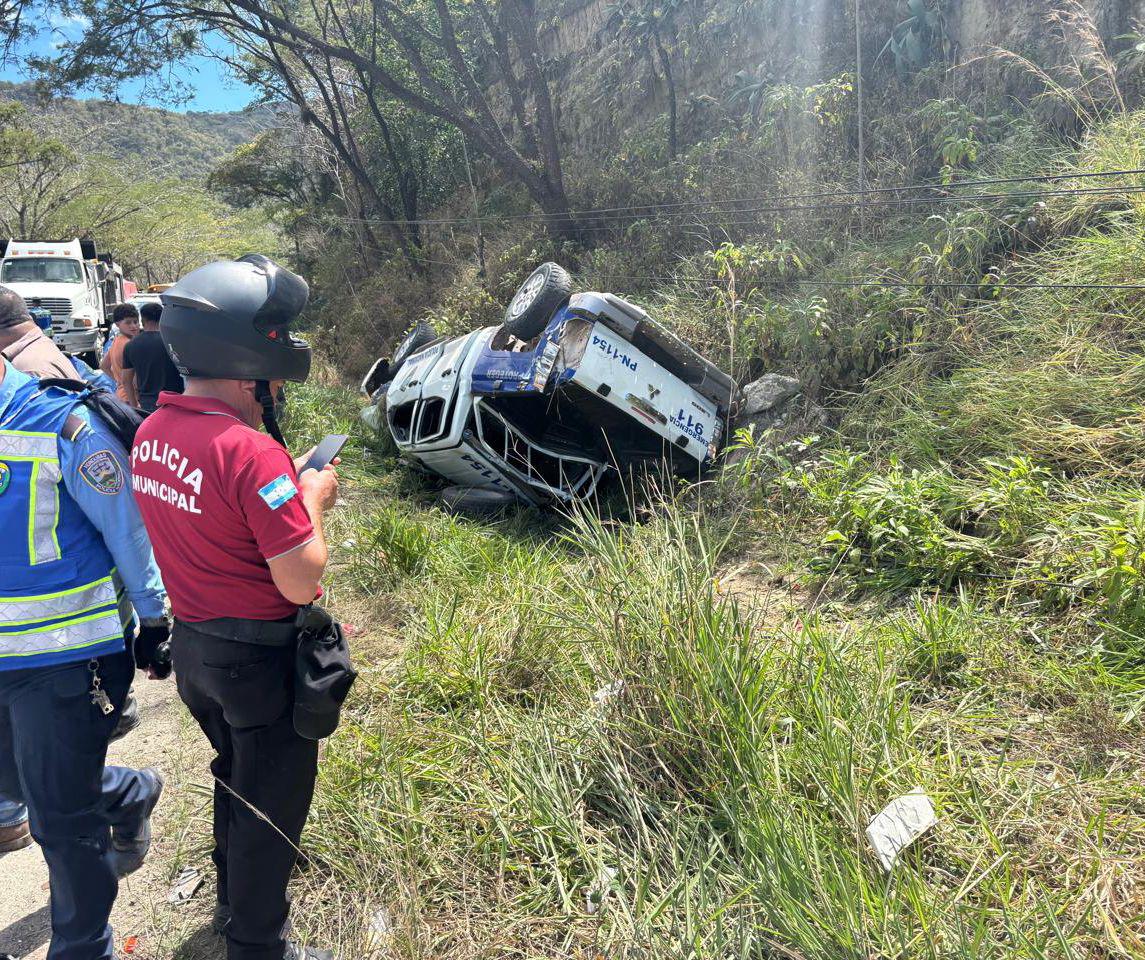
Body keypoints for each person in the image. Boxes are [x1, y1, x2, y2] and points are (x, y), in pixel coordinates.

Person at [132, 255, 340, 960]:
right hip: (257, 657)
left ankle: (232, 900)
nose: (277, 381)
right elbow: (299, 582)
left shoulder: (152, 433)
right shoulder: (252, 454)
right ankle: (257, 942)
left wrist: (285, 489)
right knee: (272, 800)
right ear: (247, 356)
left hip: (197, 650)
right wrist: (310, 503)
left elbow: (215, 517)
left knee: (236, 774)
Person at [0, 354, 170, 959]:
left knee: (61, 826)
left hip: (62, 660)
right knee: (22, 784)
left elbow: (128, 527)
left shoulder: (63, 425)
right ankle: (124, 792)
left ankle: (82, 947)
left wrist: (154, 618)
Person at [0, 285, 146, 853]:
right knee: (45, 779)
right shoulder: (64, 359)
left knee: (59, 804)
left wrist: (151, 615)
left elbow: (118, 519)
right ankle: (122, 789)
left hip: (63, 631)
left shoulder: (42, 396)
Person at [122, 301, 183, 412]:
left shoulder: (131, 346)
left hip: (148, 403)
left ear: (143, 320)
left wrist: (134, 406)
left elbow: (126, 380)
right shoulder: (173, 342)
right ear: (162, 318)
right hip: (175, 401)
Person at [101, 303, 140, 401]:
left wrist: (119, 381)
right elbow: (135, 379)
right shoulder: (130, 345)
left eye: (135, 322)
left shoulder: (116, 341)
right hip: (132, 398)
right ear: (118, 324)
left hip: (120, 395)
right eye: (128, 323)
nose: (133, 326)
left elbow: (104, 366)